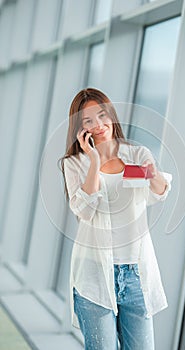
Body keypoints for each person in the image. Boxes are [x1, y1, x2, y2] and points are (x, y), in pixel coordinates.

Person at [59, 87, 172, 350]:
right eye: (88, 120)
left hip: (135, 275)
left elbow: (159, 192)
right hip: (93, 274)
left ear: (111, 115)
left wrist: (153, 174)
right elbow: (84, 211)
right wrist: (95, 161)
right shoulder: (74, 163)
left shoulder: (137, 154)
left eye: (102, 115)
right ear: (80, 127)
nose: (98, 125)